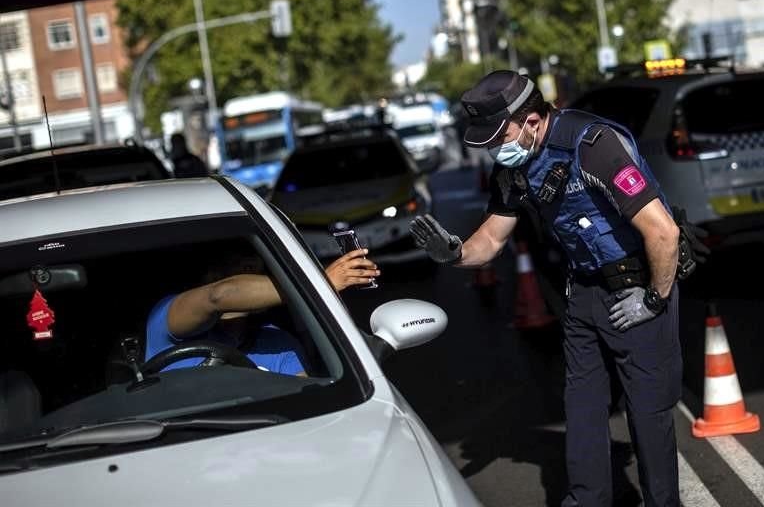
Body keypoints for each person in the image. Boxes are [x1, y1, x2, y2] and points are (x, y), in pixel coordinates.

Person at [411, 70, 706, 507]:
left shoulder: (594, 146)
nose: (494, 148)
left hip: (638, 287)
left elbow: (662, 233)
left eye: (499, 136)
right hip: (584, 292)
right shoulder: (516, 167)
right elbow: (490, 240)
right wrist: (453, 253)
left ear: (531, 121)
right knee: (582, 409)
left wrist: (653, 299)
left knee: (647, 415)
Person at [145, 246, 379, 376]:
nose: (260, 282)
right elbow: (218, 296)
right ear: (211, 275)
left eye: (261, 271)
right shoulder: (165, 320)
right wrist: (319, 284)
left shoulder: (278, 343)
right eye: (244, 268)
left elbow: (305, 400)